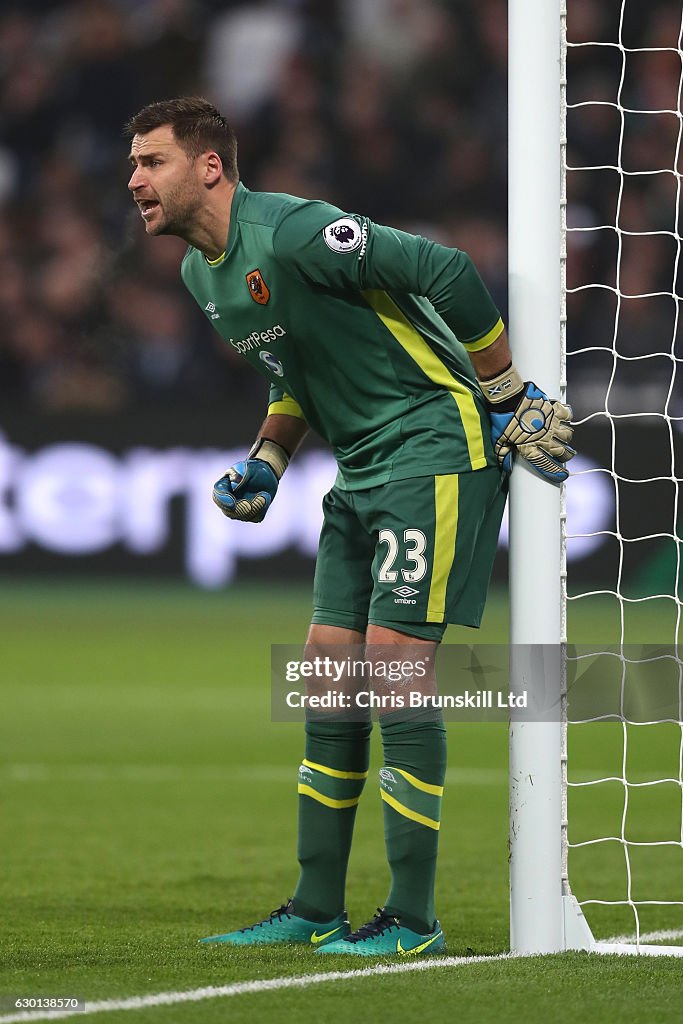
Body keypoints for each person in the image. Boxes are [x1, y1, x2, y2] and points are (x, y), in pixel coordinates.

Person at [124, 96, 574, 957]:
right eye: (135, 164)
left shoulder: (294, 232)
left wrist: (507, 388)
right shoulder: (200, 275)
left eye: (151, 162)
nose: (134, 180)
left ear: (208, 166)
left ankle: (412, 918)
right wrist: (267, 460)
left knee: (394, 668)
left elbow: (444, 269)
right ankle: (314, 904)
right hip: (360, 467)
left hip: (433, 441)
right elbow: (292, 376)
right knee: (328, 673)